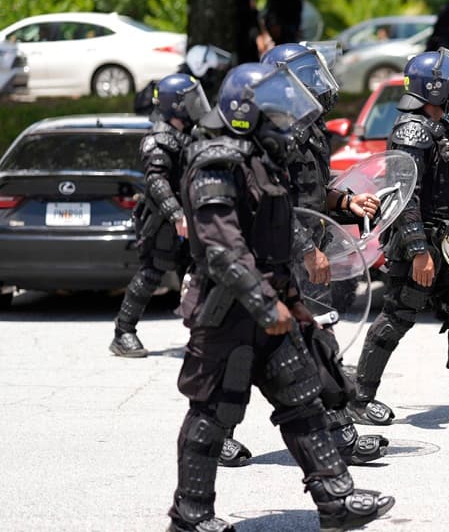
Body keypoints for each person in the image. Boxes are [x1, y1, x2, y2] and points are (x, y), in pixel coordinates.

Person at [168, 62, 394, 532]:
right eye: (274, 110)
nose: (284, 120)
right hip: (227, 310)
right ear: (247, 111)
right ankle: (190, 516)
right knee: (212, 412)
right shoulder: (215, 162)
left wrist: (288, 299)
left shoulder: (258, 158)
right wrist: (263, 302)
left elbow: (281, 226)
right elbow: (222, 250)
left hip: (272, 302)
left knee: (303, 399)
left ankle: (336, 500)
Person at [346, 50, 449, 427]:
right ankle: (360, 397)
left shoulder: (439, 126)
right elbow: (406, 197)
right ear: (434, 88)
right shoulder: (412, 130)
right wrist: (419, 250)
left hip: (448, 244)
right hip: (420, 244)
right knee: (399, 315)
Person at [261, 42, 390, 466]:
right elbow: (276, 203)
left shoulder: (307, 126)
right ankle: (213, 433)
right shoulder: (275, 134)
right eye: (306, 73)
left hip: (305, 247)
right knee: (251, 352)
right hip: (284, 255)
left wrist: (346, 203)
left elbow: (311, 191)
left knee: (317, 344)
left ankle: (341, 434)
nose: (318, 81)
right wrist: (307, 249)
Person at [110, 74, 210, 358]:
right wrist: (177, 215)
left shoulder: (192, 133)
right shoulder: (158, 138)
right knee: (151, 274)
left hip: (190, 218)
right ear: (175, 105)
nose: (197, 103)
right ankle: (123, 333)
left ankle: (202, 335)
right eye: (190, 99)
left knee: (199, 276)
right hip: (163, 222)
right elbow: (156, 181)